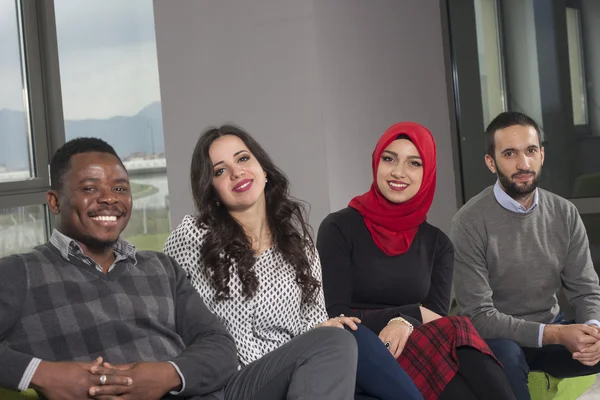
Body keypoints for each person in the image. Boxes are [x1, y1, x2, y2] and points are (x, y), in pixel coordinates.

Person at [0, 137, 357, 400]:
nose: (109, 198)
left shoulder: (160, 268)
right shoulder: (22, 273)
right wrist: (42, 373)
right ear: (54, 200)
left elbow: (218, 346)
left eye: (119, 188)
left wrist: (168, 375)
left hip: (201, 394)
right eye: (90, 188)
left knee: (333, 343)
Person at [164, 125, 424, 400]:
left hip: (291, 376)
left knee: (347, 334)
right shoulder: (193, 236)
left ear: (264, 170)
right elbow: (163, 311)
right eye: (220, 170)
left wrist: (326, 329)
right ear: (213, 191)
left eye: (243, 159)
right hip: (232, 383)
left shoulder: (298, 246)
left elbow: (313, 325)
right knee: (341, 337)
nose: (236, 172)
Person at [317, 121, 516, 400]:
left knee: (464, 359)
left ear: (428, 173)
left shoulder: (438, 244)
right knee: (458, 333)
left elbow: (436, 318)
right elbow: (337, 317)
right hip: (362, 346)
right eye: (389, 159)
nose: (399, 172)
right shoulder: (339, 227)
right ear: (376, 162)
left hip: (418, 343)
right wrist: (413, 313)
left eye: (414, 163)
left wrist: (405, 321)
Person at [450, 111, 600, 400]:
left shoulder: (564, 213)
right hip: (494, 340)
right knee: (506, 354)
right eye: (509, 154)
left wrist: (593, 330)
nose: (523, 163)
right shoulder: (468, 223)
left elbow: (586, 289)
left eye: (530, 151)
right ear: (490, 162)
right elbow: (479, 317)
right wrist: (555, 335)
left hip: (550, 331)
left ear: (542, 154)